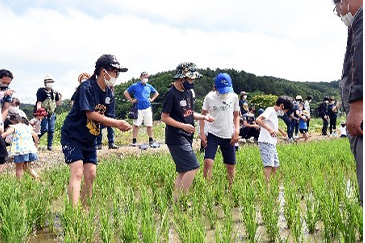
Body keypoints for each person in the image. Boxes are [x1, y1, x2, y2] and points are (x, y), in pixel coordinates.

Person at [61, 54, 132, 207]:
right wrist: (117, 123)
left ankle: (86, 209)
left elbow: (107, 117)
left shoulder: (109, 93)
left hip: (90, 137)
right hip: (73, 135)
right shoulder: (87, 87)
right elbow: (90, 113)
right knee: (78, 172)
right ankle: (74, 213)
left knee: (91, 174)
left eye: (118, 73)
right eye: (114, 71)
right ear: (103, 71)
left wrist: (117, 124)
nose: (116, 75)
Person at [161, 62, 214, 201]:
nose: (192, 82)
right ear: (181, 78)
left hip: (187, 136)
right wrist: (182, 126)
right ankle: (184, 198)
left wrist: (204, 117)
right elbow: (164, 117)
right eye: (190, 79)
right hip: (176, 137)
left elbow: (189, 113)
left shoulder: (188, 93)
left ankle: (177, 200)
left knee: (183, 171)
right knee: (193, 166)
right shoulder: (171, 94)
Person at [333, 0, 363, 204]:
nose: (338, 13)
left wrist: (357, 105)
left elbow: (360, 60)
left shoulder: (362, 19)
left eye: (337, 8)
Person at [199, 73, 240, 186]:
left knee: (230, 165)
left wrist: (237, 131)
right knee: (208, 161)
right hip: (213, 134)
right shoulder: (209, 97)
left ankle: (231, 190)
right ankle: (207, 188)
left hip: (228, 134)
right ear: (215, 87)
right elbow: (202, 116)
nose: (224, 92)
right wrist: (202, 133)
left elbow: (236, 115)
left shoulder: (234, 97)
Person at [256, 96, 293, 191]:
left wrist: (280, 132)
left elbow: (271, 124)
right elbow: (258, 120)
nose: (284, 113)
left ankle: (274, 185)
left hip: (272, 142)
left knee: (276, 165)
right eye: (285, 111)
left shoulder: (275, 114)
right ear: (282, 106)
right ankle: (267, 187)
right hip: (266, 141)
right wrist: (269, 129)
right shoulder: (270, 110)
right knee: (268, 165)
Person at [124, 72, 159, 146]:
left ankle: (151, 139)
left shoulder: (149, 86)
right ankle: (134, 140)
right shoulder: (135, 86)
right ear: (140, 77)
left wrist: (152, 99)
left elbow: (156, 93)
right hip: (138, 108)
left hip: (147, 107)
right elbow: (126, 92)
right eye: (144, 77)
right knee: (136, 125)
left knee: (149, 124)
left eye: (147, 77)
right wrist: (131, 100)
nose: (145, 79)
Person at [1, 114, 39, 179]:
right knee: (27, 167)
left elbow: (4, 135)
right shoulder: (27, 127)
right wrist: (36, 145)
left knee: (19, 168)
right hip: (30, 150)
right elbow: (35, 136)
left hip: (20, 151)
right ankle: (37, 178)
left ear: (12, 121)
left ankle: (19, 184)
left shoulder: (14, 127)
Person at [36, 75, 62, 151]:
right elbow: (39, 102)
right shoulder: (41, 91)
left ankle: (49, 145)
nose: (50, 83)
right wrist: (39, 112)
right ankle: (35, 139)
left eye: (51, 82)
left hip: (51, 113)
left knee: (51, 129)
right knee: (44, 128)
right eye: (48, 82)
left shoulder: (54, 93)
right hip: (43, 113)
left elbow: (56, 103)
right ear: (45, 83)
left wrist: (61, 96)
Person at [0, 69, 15, 172]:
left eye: (8, 83)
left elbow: (5, 108)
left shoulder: (8, 92)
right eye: (3, 82)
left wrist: (1, 121)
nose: (5, 85)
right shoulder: (5, 92)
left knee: (2, 153)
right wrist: (3, 94)